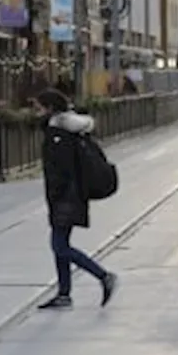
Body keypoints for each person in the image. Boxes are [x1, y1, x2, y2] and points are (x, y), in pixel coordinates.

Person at [34, 88, 119, 310]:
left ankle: (103, 276)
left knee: (60, 246)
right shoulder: (70, 131)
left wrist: (55, 195)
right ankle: (64, 294)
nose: (36, 112)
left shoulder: (57, 135)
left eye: (39, 108)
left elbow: (60, 170)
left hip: (65, 197)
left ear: (50, 109)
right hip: (71, 196)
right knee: (60, 244)